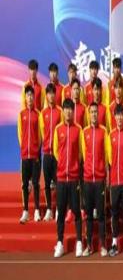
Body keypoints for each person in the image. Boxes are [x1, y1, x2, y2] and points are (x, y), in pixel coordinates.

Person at [53, 98, 83, 258]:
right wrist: (63, 165)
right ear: (63, 111)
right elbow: (56, 151)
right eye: (66, 109)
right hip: (61, 179)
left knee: (76, 211)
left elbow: (80, 153)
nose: (68, 112)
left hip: (73, 178)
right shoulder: (58, 130)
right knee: (61, 211)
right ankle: (59, 242)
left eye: (71, 109)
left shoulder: (78, 129)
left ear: (73, 111)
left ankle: (79, 241)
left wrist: (73, 167)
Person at [106, 103, 123, 257]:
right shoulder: (110, 135)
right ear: (114, 117)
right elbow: (110, 158)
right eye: (117, 115)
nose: (120, 118)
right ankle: (115, 242)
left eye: (122, 115)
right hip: (114, 182)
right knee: (115, 213)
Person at [81, 102, 108, 257]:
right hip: (87, 180)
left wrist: (103, 174)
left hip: (99, 180)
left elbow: (106, 154)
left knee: (101, 215)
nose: (93, 114)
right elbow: (83, 154)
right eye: (91, 112)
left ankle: (103, 245)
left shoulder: (104, 131)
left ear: (98, 114)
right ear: (88, 114)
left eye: (95, 112)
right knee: (89, 215)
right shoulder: (84, 132)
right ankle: (89, 245)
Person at [18, 85, 42, 224]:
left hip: (35, 156)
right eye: (28, 95)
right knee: (24, 184)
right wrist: (24, 150)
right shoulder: (21, 114)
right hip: (24, 156)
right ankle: (26, 211)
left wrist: (36, 151)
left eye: (32, 95)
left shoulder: (38, 115)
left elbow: (40, 135)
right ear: (25, 97)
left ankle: (37, 210)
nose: (30, 98)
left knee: (36, 184)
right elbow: (20, 134)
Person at [40, 84, 62, 223]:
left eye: (53, 93)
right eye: (49, 93)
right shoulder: (43, 113)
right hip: (47, 154)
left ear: (55, 95)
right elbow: (43, 133)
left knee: (58, 183)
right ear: (46, 96)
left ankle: (59, 209)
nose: (51, 96)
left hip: (57, 155)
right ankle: (49, 209)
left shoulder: (60, 111)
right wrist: (47, 147)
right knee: (47, 183)